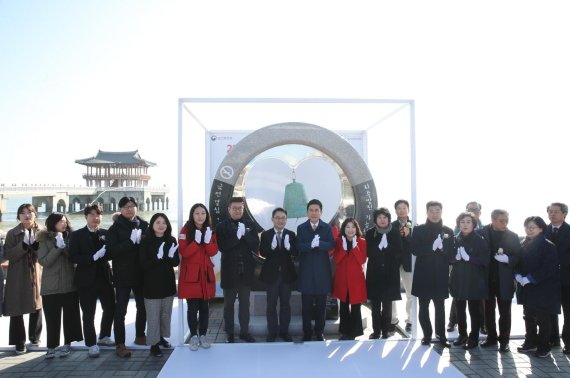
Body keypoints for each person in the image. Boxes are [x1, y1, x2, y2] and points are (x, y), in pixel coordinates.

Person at [69, 203, 115, 358]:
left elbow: (111, 253)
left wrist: (105, 254)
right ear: (86, 216)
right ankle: (91, 343)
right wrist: (92, 257)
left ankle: (104, 336)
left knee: (110, 308)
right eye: (92, 215)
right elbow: (73, 257)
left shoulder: (106, 233)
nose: (96, 218)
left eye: (98, 215)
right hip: (85, 280)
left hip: (104, 277)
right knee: (88, 313)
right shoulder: (76, 235)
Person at [37, 213, 83, 359]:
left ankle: (67, 343)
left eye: (65, 221)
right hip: (51, 286)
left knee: (70, 316)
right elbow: (44, 261)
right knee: (52, 318)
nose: (63, 224)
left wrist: (65, 247)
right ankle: (51, 347)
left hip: (70, 284)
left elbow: (75, 258)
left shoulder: (72, 237)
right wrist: (57, 247)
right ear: (52, 223)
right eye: (60, 221)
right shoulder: (43, 239)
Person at [107, 196, 148, 358]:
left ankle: (140, 335)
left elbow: (150, 245)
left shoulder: (144, 225)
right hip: (123, 274)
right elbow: (112, 251)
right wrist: (130, 242)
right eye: (125, 207)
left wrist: (144, 240)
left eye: (131, 206)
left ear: (136, 208)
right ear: (120, 209)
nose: (129, 209)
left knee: (142, 306)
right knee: (121, 310)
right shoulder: (114, 229)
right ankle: (120, 344)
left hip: (141, 273)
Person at [515, 216, 560, 358]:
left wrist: (529, 278)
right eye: (527, 227)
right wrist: (517, 275)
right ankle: (530, 342)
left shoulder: (548, 245)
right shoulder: (523, 243)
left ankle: (544, 346)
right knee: (528, 316)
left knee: (542, 318)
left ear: (541, 229)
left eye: (532, 227)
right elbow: (518, 263)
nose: (529, 230)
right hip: (526, 287)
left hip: (542, 288)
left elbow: (549, 268)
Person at [216, 197, 260, 343]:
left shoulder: (250, 224)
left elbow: (255, 245)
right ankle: (229, 333)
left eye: (240, 208)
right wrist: (237, 237)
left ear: (243, 209)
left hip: (246, 272)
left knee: (245, 304)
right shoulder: (222, 226)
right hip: (229, 272)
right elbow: (223, 247)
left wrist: (245, 235)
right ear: (229, 209)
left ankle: (244, 332)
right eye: (234, 208)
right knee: (228, 305)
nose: (237, 210)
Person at [411, 201, 454, 348]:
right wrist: (431, 247)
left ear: (441, 212)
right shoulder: (418, 230)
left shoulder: (448, 230)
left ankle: (441, 336)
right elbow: (414, 249)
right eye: (431, 211)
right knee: (423, 306)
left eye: (437, 211)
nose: (434, 214)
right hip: (423, 273)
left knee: (440, 306)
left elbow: (451, 254)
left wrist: (442, 249)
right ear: (427, 212)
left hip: (440, 274)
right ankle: (427, 335)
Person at [3, 204, 44, 354]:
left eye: (30, 212)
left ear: (35, 214)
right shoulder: (12, 233)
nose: (27, 215)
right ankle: (19, 342)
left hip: (36, 272)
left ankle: (35, 338)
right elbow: (8, 255)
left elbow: (45, 253)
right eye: (23, 213)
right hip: (17, 274)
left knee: (37, 304)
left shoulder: (42, 232)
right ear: (18, 216)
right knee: (16, 307)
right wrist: (24, 246)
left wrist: (36, 246)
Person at [478, 209, 520, 352]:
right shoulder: (481, 233)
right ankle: (491, 338)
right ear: (492, 219)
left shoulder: (513, 236)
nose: (504, 223)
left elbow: (518, 258)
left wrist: (508, 259)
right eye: (501, 220)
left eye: (506, 220)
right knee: (488, 311)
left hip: (505, 279)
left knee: (505, 312)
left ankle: (504, 341)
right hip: (486, 278)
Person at [178, 203, 219, 350]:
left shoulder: (211, 230)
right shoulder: (185, 230)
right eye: (197, 213)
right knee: (192, 307)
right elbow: (185, 252)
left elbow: (213, 252)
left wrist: (207, 242)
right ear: (192, 215)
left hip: (205, 274)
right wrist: (196, 242)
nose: (200, 216)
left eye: (203, 213)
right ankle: (193, 337)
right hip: (191, 275)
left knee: (204, 308)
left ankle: (203, 335)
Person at [139, 213, 179, 357]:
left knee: (164, 314)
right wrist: (157, 258)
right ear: (152, 225)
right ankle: (153, 345)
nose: (161, 225)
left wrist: (170, 256)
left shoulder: (171, 240)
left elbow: (175, 262)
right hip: (152, 285)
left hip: (167, 283)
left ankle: (160, 338)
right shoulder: (146, 241)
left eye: (164, 222)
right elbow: (143, 265)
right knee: (153, 316)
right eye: (158, 222)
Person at [449, 212, 489, 349]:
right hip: (458, 278)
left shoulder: (480, 240)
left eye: (468, 222)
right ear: (458, 224)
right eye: (462, 222)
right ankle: (462, 335)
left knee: (474, 310)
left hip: (474, 279)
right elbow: (449, 258)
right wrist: (456, 258)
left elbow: (485, 260)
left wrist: (469, 258)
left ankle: (474, 338)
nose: (465, 225)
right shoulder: (454, 239)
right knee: (459, 309)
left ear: (473, 225)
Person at [297, 199, 335, 341]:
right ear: (307, 212)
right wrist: (309, 245)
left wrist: (320, 244)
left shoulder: (326, 227)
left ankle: (319, 332)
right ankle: (307, 332)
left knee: (321, 306)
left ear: (321, 212)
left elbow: (332, 244)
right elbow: (298, 246)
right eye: (311, 210)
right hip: (306, 272)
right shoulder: (301, 228)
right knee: (306, 306)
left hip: (322, 272)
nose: (314, 213)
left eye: (316, 210)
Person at [258, 207, 298, 342]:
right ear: (272, 219)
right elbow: (262, 252)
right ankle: (272, 332)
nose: (280, 220)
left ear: (286, 219)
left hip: (286, 275)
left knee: (286, 304)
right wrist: (272, 247)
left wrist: (289, 248)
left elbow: (296, 253)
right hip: (272, 275)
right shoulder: (266, 235)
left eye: (283, 218)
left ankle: (284, 331)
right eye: (278, 218)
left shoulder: (291, 234)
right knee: (271, 304)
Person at [366, 207, 402, 339]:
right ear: (375, 220)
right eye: (379, 218)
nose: (382, 220)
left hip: (390, 272)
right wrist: (378, 247)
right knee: (375, 305)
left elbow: (399, 251)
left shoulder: (394, 232)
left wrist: (387, 247)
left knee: (387, 305)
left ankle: (385, 330)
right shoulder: (370, 233)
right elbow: (367, 252)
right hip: (374, 273)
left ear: (389, 219)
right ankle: (376, 331)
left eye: (385, 217)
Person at [332, 218, 367, 340]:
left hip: (356, 279)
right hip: (342, 278)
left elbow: (362, 260)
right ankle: (344, 331)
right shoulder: (339, 241)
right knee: (344, 305)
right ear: (343, 229)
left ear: (356, 229)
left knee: (356, 306)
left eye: (353, 227)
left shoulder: (362, 242)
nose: (350, 229)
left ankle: (355, 332)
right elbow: (336, 259)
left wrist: (355, 247)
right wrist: (344, 248)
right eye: (347, 227)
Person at [545, 202, 570, 351]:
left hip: (566, 278)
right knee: (549, 311)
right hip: (547, 280)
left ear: (564, 214)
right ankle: (552, 339)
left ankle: (568, 341)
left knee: (568, 311)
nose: (552, 214)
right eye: (550, 211)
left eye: (556, 211)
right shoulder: (543, 230)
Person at [391, 200, 414, 333]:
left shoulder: (414, 225)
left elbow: (415, 244)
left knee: (410, 293)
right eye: (398, 208)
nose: (401, 210)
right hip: (394, 262)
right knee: (393, 292)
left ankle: (410, 320)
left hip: (408, 262)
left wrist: (407, 236)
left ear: (408, 210)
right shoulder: (391, 225)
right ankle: (393, 319)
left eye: (404, 208)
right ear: (395, 211)